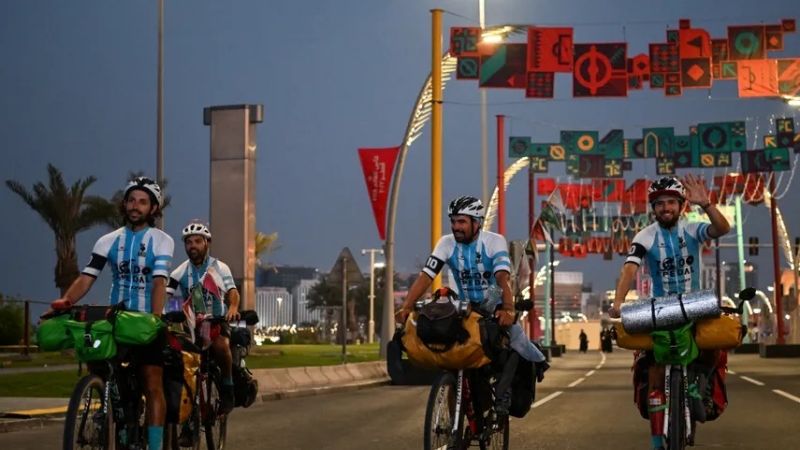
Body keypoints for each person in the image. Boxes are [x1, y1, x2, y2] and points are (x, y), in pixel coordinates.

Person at [50, 177, 174, 450]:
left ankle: (154, 445)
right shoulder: (108, 240)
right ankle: (109, 411)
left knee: (152, 383)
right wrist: (66, 300)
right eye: (131, 200)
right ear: (124, 204)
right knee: (100, 367)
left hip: (146, 321)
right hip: (114, 318)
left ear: (153, 208)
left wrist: (155, 318)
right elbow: (87, 277)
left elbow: (159, 282)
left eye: (143, 202)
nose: (135, 206)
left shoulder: (162, 241)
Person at [608, 175, 730, 450]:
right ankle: (655, 437)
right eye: (660, 203)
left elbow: (722, 228)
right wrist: (618, 302)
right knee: (649, 363)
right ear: (654, 208)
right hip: (659, 307)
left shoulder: (693, 229)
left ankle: (699, 383)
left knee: (715, 344)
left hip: (694, 304)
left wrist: (707, 205)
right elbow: (629, 270)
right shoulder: (645, 235)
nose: (666, 208)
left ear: (681, 205)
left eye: (671, 202)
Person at [395, 196, 548, 415]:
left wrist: (507, 307)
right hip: (464, 306)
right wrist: (407, 306)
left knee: (510, 341)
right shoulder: (446, 243)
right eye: (453, 221)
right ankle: (455, 415)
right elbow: (426, 276)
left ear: (477, 223)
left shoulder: (494, 241)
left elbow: (502, 278)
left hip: (493, 301)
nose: (456, 227)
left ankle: (504, 391)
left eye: (462, 222)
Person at [167, 221, 240, 413]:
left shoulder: (220, 267)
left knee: (221, 346)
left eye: (198, 241)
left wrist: (233, 307)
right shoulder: (179, 272)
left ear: (207, 243)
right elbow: (164, 294)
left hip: (217, 323)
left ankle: (228, 387)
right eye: (188, 242)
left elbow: (232, 291)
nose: (193, 246)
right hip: (192, 327)